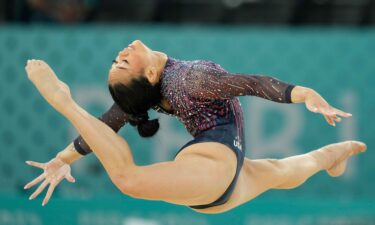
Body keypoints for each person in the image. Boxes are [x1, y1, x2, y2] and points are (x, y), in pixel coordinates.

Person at [24, 40, 366, 214]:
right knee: (128, 179)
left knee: (285, 171)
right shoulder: (191, 80)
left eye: (118, 60)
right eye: (124, 62)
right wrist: (301, 93)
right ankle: (62, 100)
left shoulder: (169, 84)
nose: (121, 53)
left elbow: (108, 125)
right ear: (151, 75)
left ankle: (333, 154)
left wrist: (63, 159)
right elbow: (252, 83)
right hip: (214, 168)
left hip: (219, 187)